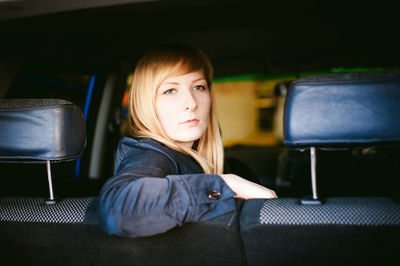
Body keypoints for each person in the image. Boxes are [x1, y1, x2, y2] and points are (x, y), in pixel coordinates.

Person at [99, 44, 277, 238]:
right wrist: (225, 185)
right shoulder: (151, 156)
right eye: (170, 91)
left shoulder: (234, 168)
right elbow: (119, 209)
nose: (191, 103)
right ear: (146, 103)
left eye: (198, 87)